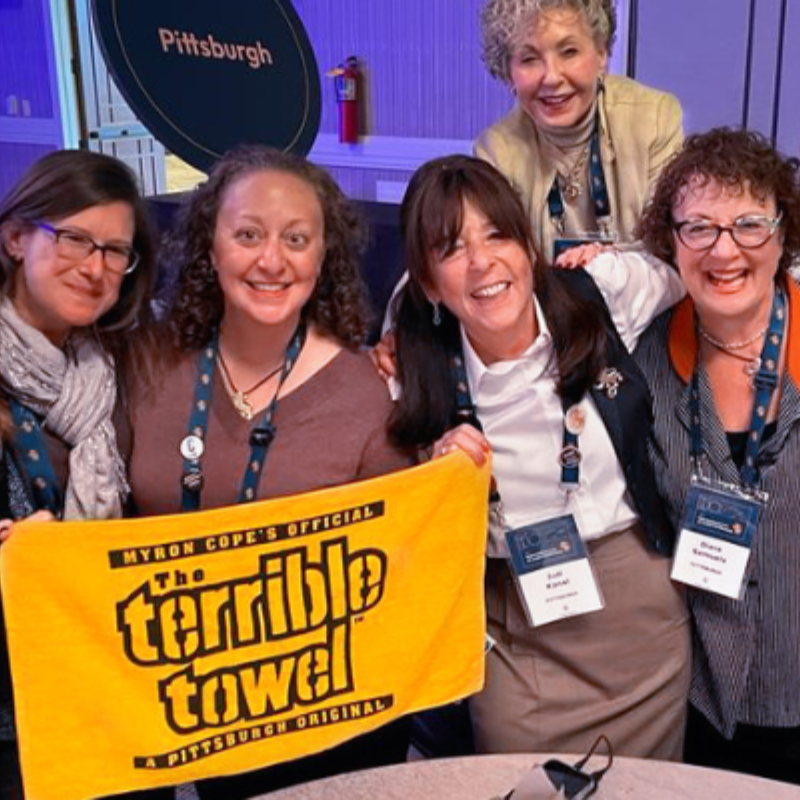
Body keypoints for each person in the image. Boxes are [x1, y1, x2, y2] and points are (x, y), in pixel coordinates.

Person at [128, 145, 412, 798]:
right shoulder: (145, 365)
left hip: (318, 729)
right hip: (168, 705)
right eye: (248, 234)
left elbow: (397, 560)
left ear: (323, 257)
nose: (271, 260)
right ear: (209, 245)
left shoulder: (366, 389)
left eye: (296, 238)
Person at [389, 154, 689, 759]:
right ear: (428, 285)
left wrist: (615, 252)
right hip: (515, 623)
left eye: (498, 234)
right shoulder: (414, 358)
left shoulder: (600, 293)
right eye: (451, 249)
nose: (482, 262)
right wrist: (436, 465)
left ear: (529, 244)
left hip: (639, 614)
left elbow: (700, 271)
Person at [634, 127, 800, 784]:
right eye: (698, 227)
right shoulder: (644, 364)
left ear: (783, 236)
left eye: (749, 224)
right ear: (670, 243)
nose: (724, 249)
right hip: (701, 705)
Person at [0, 150, 163, 800]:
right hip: (16, 724)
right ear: (15, 237)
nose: (96, 268)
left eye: (115, 251)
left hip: (114, 694)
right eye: (73, 239)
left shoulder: (119, 368)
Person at [476, 0, 682, 260]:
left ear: (602, 54)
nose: (551, 77)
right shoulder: (496, 152)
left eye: (569, 52)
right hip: (544, 299)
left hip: (642, 297)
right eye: (529, 59)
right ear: (508, 73)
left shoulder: (653, 118)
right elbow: (506, 262)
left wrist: (609, 262)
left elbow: (668, 247)